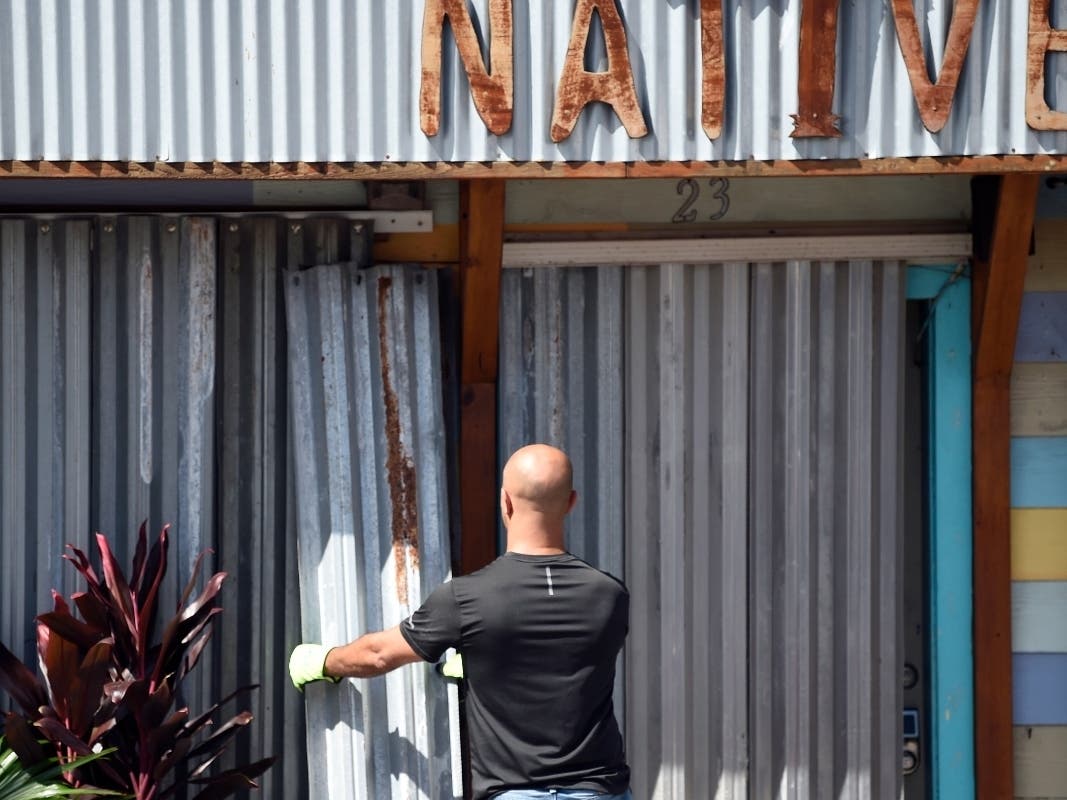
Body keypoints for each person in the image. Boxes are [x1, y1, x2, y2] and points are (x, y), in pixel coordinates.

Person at [289, 443, 632, 800]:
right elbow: (562, 656)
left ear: (506, 502)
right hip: (601, 791)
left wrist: (324, 662)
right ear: (572, 502)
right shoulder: (610, 596)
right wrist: (481, 659)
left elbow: (378, 654)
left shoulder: (467, 598)